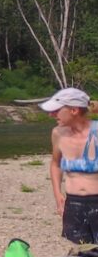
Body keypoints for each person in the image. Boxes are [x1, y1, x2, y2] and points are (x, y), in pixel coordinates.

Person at [43, 88, 98, 244]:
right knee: (80, 255)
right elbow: (55, 163)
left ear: (73, 110)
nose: (51, 115)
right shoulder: (58, 133)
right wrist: (58, 195)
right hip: (73, 204)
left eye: (56, 110)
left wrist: (91, 105)